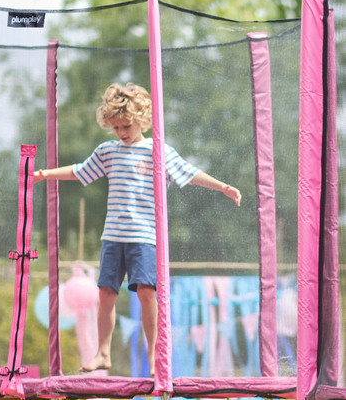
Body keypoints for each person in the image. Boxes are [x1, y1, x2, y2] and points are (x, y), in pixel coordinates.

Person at [34, 83, 241, 376]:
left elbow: (189, 172)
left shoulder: (157, 151)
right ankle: (103, 353)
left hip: (144, 237)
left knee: (146, 292)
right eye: (116, 127)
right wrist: (47, 174)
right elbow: (80, 170)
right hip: (113, 236)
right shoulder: (108, 151)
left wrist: (222, 186)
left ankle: (155, 353)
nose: (121, 132)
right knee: (106, 294)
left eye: (126, 125)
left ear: (142, 119)